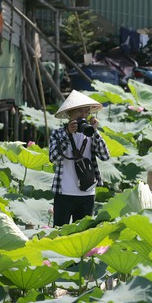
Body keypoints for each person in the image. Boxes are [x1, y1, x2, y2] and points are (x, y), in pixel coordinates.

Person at [49, 90, 110, 226]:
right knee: (59, 233)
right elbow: (53, 157)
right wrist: (67, 134)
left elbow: (105, 156)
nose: (83, 115)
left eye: (86, 112)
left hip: (87, 194)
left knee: (83, 235)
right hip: (64, 192)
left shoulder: (91, 133)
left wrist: (94, 132)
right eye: (79, 112)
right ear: (70, 113)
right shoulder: (58, 133)